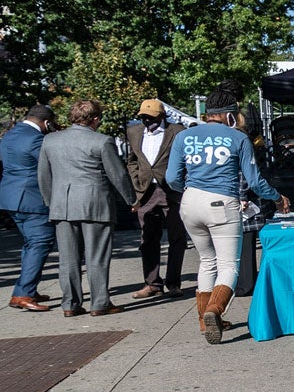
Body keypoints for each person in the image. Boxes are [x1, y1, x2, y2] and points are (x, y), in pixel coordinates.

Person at [166, 92, 286, 344]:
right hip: (222, 202)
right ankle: (214, 310)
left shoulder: (183, 136)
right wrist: (276, 197)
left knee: (207, 261)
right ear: (231, 115)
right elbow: (254, 181)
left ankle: (204, 320)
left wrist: (189, 190)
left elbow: (172, 179)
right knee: (229, 265)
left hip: (190, 201)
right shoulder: (238, 137)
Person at [37, 98, 137, 317]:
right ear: (95, 119)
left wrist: (50, 202)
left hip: (62, 205)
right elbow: (117, 175)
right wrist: (131, 200)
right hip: (95, 204)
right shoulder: (102, 141)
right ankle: (100, 302)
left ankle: (70, 304)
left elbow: (44, 176)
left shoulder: (51, 141)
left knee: (68, 259)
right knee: (97, 256)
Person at [124, 98, 188, 300]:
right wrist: (136, 182)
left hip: (171, 191)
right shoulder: (134, 132)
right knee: (148, 239)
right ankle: (152, 283)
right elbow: (132, 160)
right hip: (146, 191)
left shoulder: (177, 131)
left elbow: (186, 159)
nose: (146, 121)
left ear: (161, 116)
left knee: (176, 238)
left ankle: (173, 283)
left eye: (150, 118)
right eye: (142, 117)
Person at [1, 104, 57, 311]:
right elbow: (50, 164)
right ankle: (22, 294)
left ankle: (28, 288)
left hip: (11, 198)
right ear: (47, 122)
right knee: (41, 241)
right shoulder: (36, 139)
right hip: (32, 199)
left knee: (31, 243)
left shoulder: (10, 135)